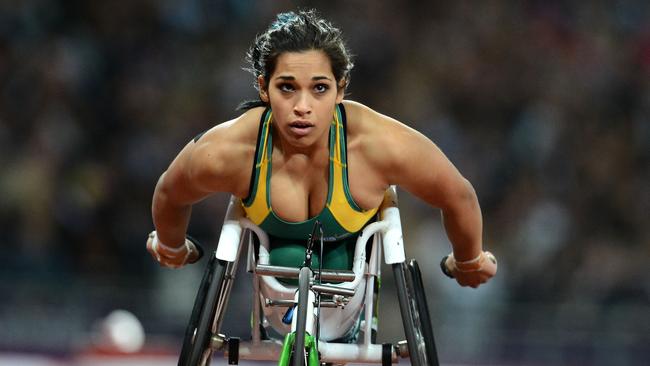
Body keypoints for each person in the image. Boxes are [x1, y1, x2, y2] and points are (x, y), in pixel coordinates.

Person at [146, 9, 497, 289]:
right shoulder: (229, 150)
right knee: (284, 264)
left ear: (340, 90)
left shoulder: (377, 144)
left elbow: (458, 196)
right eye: (287, 88)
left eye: (319, 89)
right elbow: (169, 192)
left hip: (354, 264)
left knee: (336, 267)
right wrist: (170, 246)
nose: (303, 106)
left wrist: (469, 260)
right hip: (272, 271)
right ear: (263, 89)